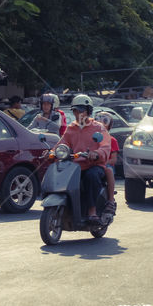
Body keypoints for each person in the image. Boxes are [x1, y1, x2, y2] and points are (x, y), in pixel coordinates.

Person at [59, 95, 111, 223]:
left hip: (94, 165)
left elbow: (105, 146)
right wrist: (52, 152)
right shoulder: (71, 128)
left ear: (88, 111)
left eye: (81, 110)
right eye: (75, 111)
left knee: (91, 176)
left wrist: (97, 153)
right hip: (75, 166)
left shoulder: (99, 127)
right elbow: (62, 143)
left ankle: (92, 210)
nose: (78, 114)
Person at [95, 111, 119, 214]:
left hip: (106, 165)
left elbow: (114, 159)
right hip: (92, 164)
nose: (101, 123)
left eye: (104, 121)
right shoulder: (92, 139)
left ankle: (110, 200)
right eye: (98, 120)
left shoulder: (112, 140)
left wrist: (104, 162)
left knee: (109, 170)